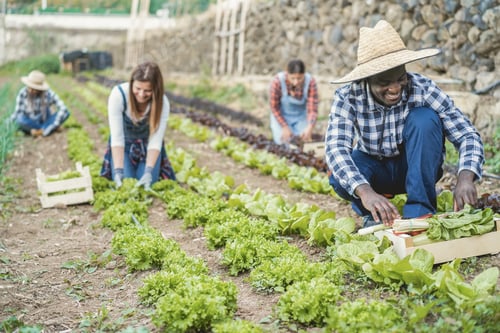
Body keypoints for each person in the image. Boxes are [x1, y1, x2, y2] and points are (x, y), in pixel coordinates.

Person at [325, 20, 484, 228]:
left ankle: (420, 211)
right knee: (338, 177)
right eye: (384, 82)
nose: (395, 88)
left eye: (400, 78)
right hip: (374, 170)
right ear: (367, 79)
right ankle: (374, 211)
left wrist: (465, 178)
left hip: (412, 167)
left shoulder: (422, 88)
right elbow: (336, 149)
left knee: (424, 118)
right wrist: (366, 192)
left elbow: (467, 135)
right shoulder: (348, 97)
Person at [100, 61, 176, 190]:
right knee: (126, 185)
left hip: (148, 148)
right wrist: (118, 171)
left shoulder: (162, 103)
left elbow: (156, 140)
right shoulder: (119, 95)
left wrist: (148, 172)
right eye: (137, 89)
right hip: (123, 146)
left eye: (147, 90)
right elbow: (117, 137)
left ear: (156, 89)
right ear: (131, 84)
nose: (141, 94)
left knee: (146, 186)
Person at [269, 59, 319, 144]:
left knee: (302, 140)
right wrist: (284, 127)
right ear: (287, 73)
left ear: (304, 74)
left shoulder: (310, 82)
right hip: (282, 116)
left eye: (299, 78)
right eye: (293, 78)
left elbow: (312, 109)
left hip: (300, 117)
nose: (296, 82)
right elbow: (274, 107)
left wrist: (310, 127)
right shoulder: (277, 81)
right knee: (281, 141)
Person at [11, 70, 70, 137]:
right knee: (19, 119)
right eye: (29, 87)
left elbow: (63, 108)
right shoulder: (22, 93)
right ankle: (47, 129)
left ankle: (39, 130)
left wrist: (55, 124)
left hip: (46, 120)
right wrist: (9, 122)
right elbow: (18, 113)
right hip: (30, 122)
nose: (30, 90)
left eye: (34, 88)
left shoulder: (48, 93)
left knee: (66, 113)